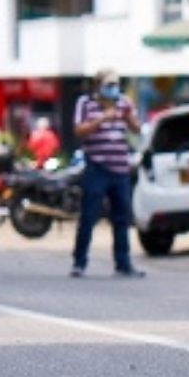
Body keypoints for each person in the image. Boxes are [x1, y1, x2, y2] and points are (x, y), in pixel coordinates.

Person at [70, 69, 144, 278]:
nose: (113, 89)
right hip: (97, 167)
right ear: (98, 85)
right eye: (109, 85)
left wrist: (129, 116)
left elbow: (137, 129)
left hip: (120, 168)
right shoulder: (85, 103)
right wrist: (102, 118)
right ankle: (79, 261)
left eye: (116, 85)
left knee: (122, 218)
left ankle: (123, 263)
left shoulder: (124, 103)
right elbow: (79, 131)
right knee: (89, 215)